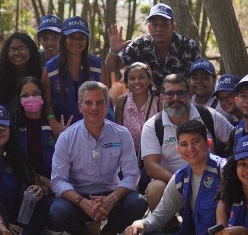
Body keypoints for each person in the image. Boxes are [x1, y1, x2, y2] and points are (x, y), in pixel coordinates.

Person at [49, 81, 147, 234]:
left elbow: (132, 174)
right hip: (78, 197)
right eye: (88, 103)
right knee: (58, 212)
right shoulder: (66, 138)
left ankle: (109, 232)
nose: (94, 108)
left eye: (100, 102)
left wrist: (112, 199)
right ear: (79, 106)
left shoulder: (121, 134)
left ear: (107, 105)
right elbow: (57, 180)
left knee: (138, 202)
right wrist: (82, 202)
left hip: (111, 195)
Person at [141, 74, 233, 211]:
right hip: (171, 182)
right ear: (161, 97)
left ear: (190, 94)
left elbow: (236, 143)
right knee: (155, 189)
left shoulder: (209, 115)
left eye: (181, 93)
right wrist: (182, 181)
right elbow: (151, 166)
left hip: (210, 179)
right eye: (170, 94)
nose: (175, 99)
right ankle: (169, 227)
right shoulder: (153, 125)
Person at [125, 120, 225, 235]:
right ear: (178, 150)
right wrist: (140, 224)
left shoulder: (223, 170)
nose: (190, 148)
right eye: (184, 144)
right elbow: (158, 217)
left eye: (196, 142)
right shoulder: (181, 177)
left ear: (208, 143)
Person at [0, 105, 54, 234]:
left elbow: (34, 181)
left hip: (20, 214)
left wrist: (40, 190)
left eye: (2, 127)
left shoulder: (18, 154)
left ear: (10, 129)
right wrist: (4, 223)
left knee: (45, 207)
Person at [107, 3, 201, 90]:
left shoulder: (188, 46)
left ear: (173, 26)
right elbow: (110, 67)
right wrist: (114, 51)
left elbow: (198, 79)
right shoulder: (140, 45)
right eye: (154, 25)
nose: (159, 29)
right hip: (149, 103)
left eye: (164, 25)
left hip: (180, 100)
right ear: (149, 28)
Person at [43, 16, 107, 133]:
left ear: (86, 40)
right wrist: (53, 123)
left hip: (95, 129)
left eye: (81, 38)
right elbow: (47, 102)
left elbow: (104, 100)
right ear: (63, 39)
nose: (76, 42)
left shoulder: (98, 65)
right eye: (71, 37)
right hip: (63, 131)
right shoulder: (50, 68)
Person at [11, 76, 57, 177]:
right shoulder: (14, 126)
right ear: (19, 99)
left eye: (35, 93)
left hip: (56, 181)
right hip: (27, 183)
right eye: (25, 95)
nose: (31, 98)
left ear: (42, 95)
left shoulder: (53, 123)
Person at [114, 62, 161, 156]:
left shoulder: (159, 103)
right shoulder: (122, 102)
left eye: (141, 77)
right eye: (132, 78)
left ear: (149, 79)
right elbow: (118, 134)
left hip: (155, 156)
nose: (137, 81)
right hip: (129, 156)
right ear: (126, 83)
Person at [0, 32, 42, 108]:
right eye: (12, 49)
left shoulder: (41, 73)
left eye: (21, 48)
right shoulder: (0, 75)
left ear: (30, 50)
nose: (17, 53)